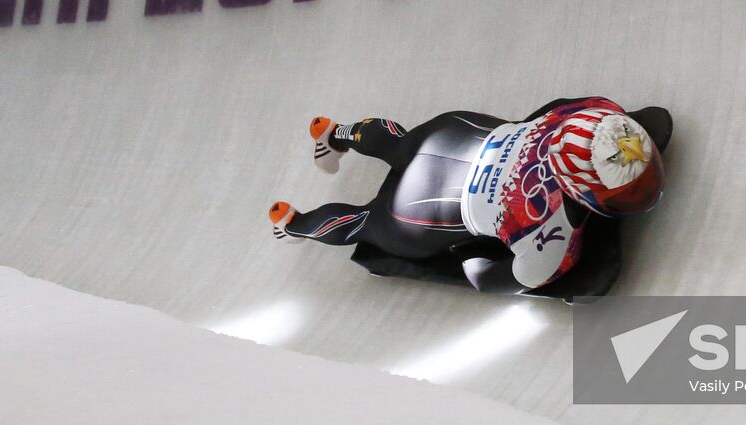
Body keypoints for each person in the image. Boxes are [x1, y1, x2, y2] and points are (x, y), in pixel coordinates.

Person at [268, 97, 671, 294]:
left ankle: (335, 133)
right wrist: (474, 263)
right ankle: (293, 223)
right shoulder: (551, 232)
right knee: (367, 224)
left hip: (455, 131)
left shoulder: (594, 109)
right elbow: (493, 278)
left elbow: (553, 107)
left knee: (403, 143)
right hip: (421, 208)